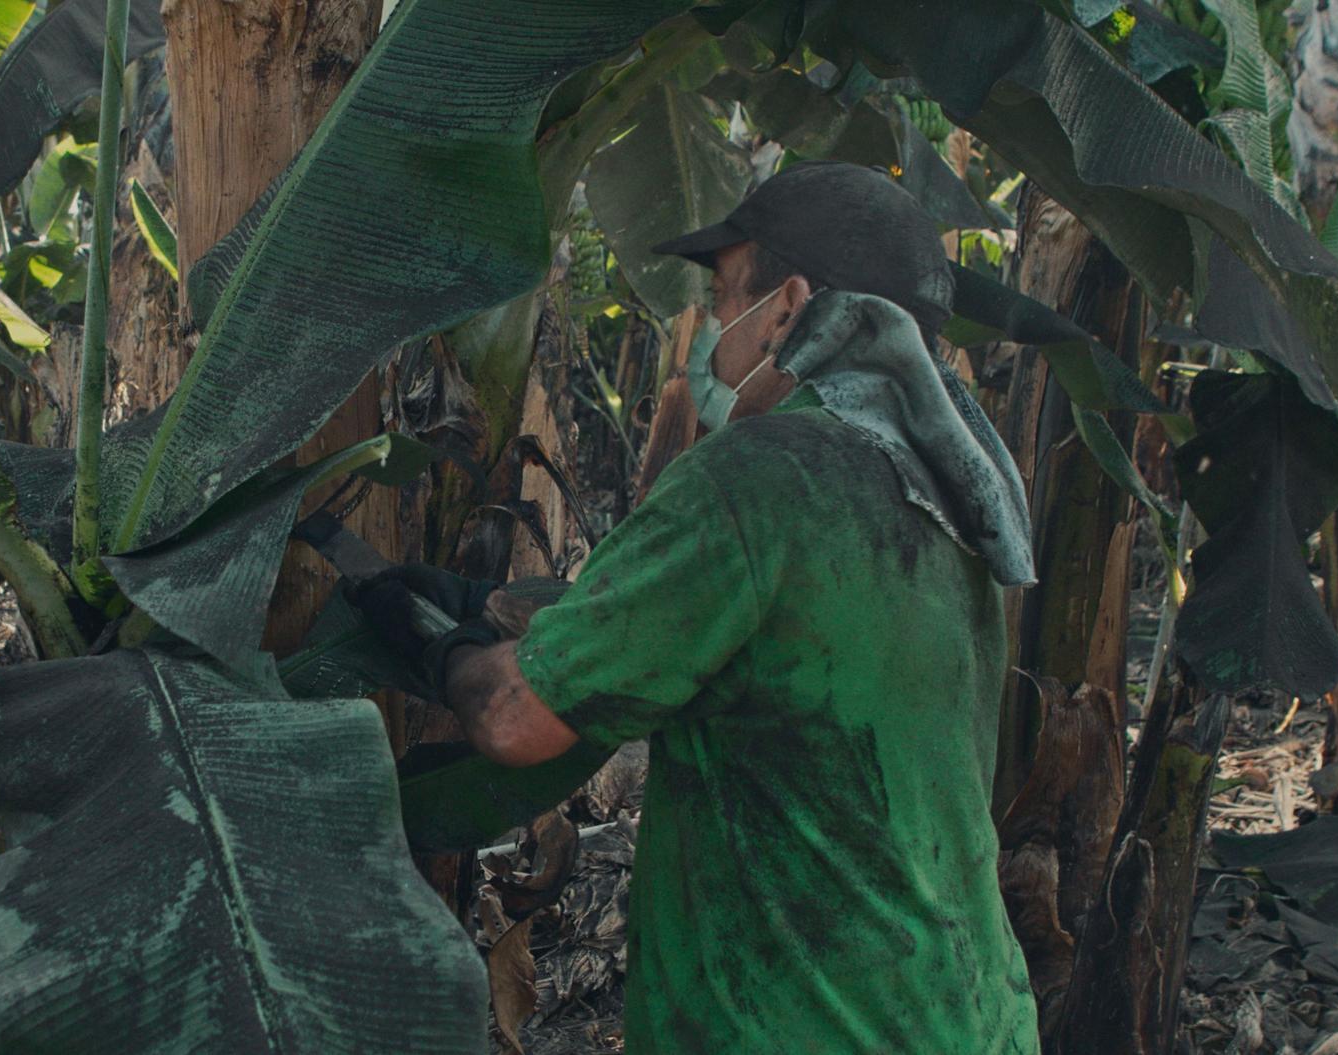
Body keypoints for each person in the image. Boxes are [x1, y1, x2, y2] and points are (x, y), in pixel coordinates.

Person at [354, 161, 1042, 1052]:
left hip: (805, 1023)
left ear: (789, 307)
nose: (712, 335)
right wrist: (511, 602)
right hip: (964, 1010)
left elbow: (517, 719)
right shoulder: (951, 489)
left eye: (724, 299)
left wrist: (431, 642)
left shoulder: (759, 475)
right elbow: (795, 651)